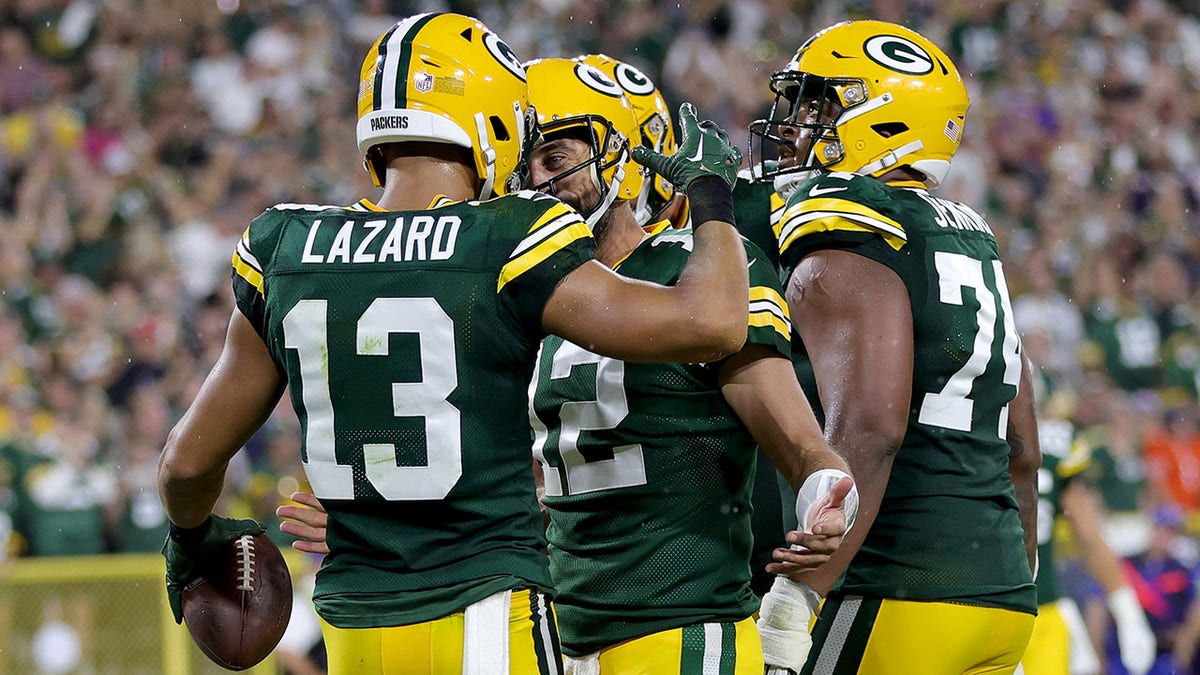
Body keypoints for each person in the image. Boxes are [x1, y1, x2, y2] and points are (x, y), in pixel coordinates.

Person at [156, 12, 750, 675]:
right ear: (492, 116)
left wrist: (190, 540)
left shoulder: (284, 247)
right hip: (488, 615)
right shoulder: (506, 234)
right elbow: (715, 322)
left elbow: (184, 465)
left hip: (356, 628)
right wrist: (712, 196)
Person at [279, 56, 858, 675]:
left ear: (627, 156)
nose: (535, 180)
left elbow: (800, 444)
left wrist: (825, 496)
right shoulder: (519, 289)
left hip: (678, 629)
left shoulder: (694, 271)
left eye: (556, 158)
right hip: (553, 632)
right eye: (524, 159)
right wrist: (386, 504)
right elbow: (530, 479)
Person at [746, 20, 1043, 674]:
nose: (795, 126)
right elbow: (1020, 442)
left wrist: (799, 594)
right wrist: (1012, 579)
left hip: (893, 587)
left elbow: (874, 427)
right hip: (1000, 600)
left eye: (820, 105)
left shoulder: (850, 219)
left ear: (879, 120)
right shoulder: (970, 234)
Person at [1019, 409, 1155, 675]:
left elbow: (1089, 534)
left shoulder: (1051, 441)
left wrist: (1128, 611)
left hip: (1035, 607)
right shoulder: (1049, 442)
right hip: (1001, 605)